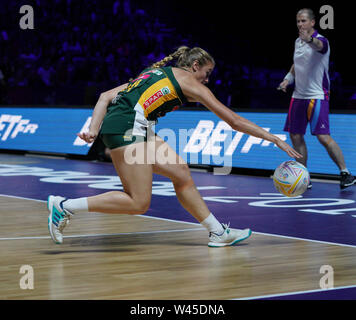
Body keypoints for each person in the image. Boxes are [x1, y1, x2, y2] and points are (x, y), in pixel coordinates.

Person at [47, 46, 301, 247]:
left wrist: (94, 129)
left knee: (181, 172)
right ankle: (64, 206)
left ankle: (217, 232)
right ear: (194, 66)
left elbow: (105, 97)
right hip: (128, 127)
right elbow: (233, 120)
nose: (207, 80)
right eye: (207, 73)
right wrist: (275, 139)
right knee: (138, 202)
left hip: (131, 126)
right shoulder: (190, 82)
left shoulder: (154, 74)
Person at [278, 8, 356, 190]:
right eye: (298, 21)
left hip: (317, 96)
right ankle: (303, 176)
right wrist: (287, 79)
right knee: (296, 135)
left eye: (303, 21)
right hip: (298, 96)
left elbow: (319, 47)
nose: (300, 24)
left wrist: (310, 39)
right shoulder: (298, 41)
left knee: (322, 136)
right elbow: (296, 64)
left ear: (313, 22)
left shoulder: (321, 41)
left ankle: (345, 173)